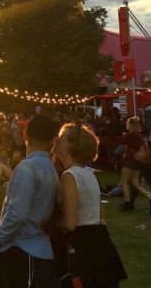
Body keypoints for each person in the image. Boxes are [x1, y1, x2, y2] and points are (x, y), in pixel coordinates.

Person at [0, 114, 61, 288]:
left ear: (26, 135)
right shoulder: (50, 168)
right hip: (40, 250)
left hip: (23, 251)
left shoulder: (27, 168)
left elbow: (17, 213)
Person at [53, 123, 127, 288]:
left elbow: (70, 224)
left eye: (61, 137)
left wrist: (49, 221)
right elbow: (100, 216)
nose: (56, 140)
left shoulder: (69, 175)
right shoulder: (89, 174)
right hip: (103, 244)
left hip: (85, 249)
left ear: (71, 145)